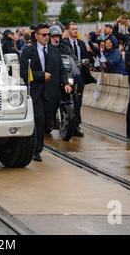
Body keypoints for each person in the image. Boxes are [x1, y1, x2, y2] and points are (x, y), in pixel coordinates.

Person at [20, 24, 72, 162]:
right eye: (44, 35)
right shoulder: (28, 52)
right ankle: (36, 150)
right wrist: (41, 75)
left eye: (48, 34)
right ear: (36, 36)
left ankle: (37, 145)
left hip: (52, 93)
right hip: (36, 92)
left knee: (47, 121)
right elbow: (24, 73)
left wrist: (66, 83)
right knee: (39, 119)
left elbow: (61, 70)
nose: (47, 37)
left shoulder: (54, 51)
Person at [60, 22, 93, 137]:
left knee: (78, 101)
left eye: (76, 29)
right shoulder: (64, 43)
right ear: (68, 30)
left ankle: (76, 126)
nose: (75, 31)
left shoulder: (81, 44)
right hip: (67, 75)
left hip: (79, 76)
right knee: (68, 100)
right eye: (73, 29)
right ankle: (65, 123)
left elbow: (86, 58)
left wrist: (86, 64)